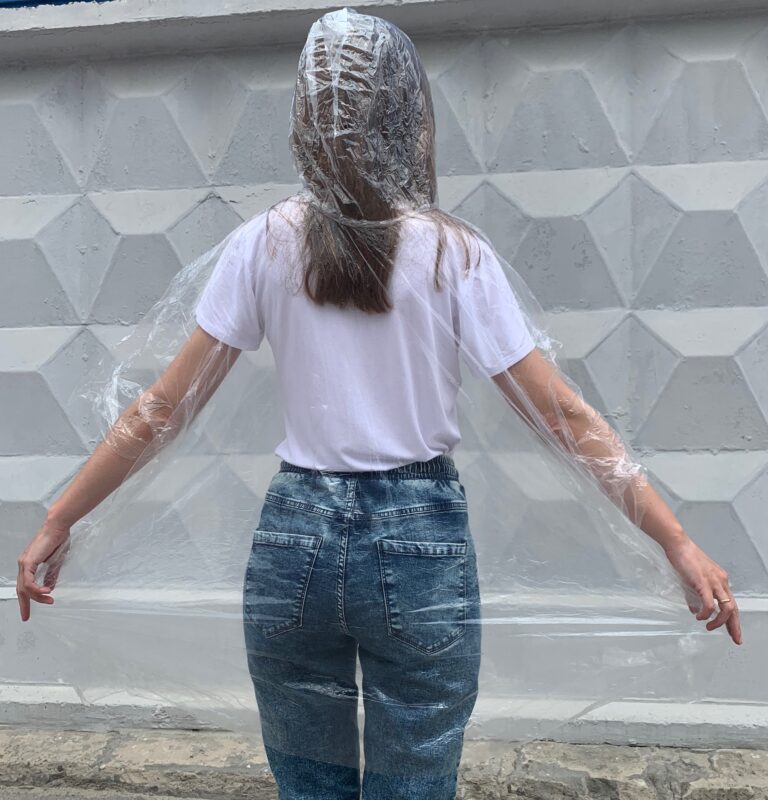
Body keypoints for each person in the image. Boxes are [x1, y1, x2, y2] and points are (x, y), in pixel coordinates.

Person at [16, 7, 742, 800]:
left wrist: (60, 519)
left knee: (310, 784)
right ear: (409, 116)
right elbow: (561, 418)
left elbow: (162, 408)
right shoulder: (453, 253)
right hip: (419, 540)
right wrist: (676, 542)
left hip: (293, 541)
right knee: (415, 777)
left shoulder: (263, 244)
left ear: (303, 119)